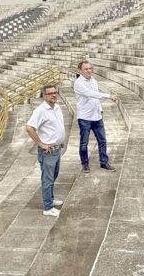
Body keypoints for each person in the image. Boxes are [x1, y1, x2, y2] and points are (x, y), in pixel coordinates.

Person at [25, 84, 66, 217]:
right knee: (47, 179)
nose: (53, 95)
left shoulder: (57, 107)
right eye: (50, 93)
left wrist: (60, 140)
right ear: (44, 95)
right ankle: (47, 207)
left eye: (55, 92)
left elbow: (56, 127)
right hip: (47, 152)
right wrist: (41, 144)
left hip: (56, 149)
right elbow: (29, 128)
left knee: (53, 176)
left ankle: (51, 199)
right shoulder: (40, 110)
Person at [73, 60, 118, 172]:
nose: (89, 70)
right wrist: (108, 96)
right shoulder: (78, 83)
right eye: (86, 69)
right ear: (80, 71)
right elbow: (90, 94)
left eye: (90, 68)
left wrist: (100, 110)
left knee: (102, 140)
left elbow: (96, 98)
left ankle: (104, 162)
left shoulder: (93, 80)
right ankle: (85, 163)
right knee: (84, 142)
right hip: (85, 118)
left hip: (97, 116)